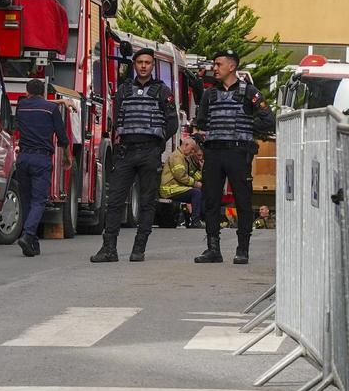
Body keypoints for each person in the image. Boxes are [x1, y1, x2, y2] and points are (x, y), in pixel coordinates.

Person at [91, 48, 179, 263]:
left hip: (149, 150)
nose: (143, 66)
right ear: (134, 64)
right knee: (115, 200)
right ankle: (109, 248)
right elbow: (117, 118)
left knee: (148, 201)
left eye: (147, 62)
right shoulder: (123, 90)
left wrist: (159, 145)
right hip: (126, 151)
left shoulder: (162, 91)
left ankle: (139, 248)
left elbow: (173, 122)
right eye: (139, 62)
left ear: (152, 65)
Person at [193, 50, 276, 264]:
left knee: (243, 200)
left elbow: (268, 120)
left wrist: (245, 125)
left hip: (238, 152)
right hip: (214, 152)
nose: (215, 68)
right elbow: (201, 121)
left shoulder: (249, 92)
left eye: (218, 64)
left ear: (232, 67)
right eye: (214, 64)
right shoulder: (209, 94)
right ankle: (213, 249)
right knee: (211, 200)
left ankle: (243, 250)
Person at [15, 78, 71, 257]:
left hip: (23, 158)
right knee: (38, 201)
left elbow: (32, 102)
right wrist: (68, 157)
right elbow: (62, 137)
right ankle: (28, 234)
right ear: (43, 92)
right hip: (41, 159)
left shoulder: (21, 106)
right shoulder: (51, 109)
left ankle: (32, 242)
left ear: (27, 91)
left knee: (26, 201)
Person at [160, 137, 203, 228]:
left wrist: (200, 169)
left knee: (198, 193)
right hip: (170, 188)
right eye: (192, 149)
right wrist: (196, 184)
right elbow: (181, 176)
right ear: (185, 145)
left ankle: (194, 220)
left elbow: (190, 175)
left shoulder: (184, 157)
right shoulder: (177, 156)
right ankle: (195, 221)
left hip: (175, 187)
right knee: (196, 193)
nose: (192, 152)